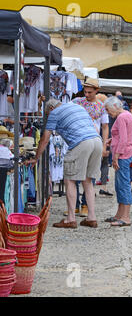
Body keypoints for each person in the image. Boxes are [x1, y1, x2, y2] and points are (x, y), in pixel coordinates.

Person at [32, 98, 102, 229]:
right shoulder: (78, 107)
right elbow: (93, 127)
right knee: (88, 181)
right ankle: (91, 217)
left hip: (81, 143)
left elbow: (45, 139)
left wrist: (36, 157)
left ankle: (70, 219)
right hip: (97, 141)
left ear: (50, 109)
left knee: (70, 180)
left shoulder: (54, 113)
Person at [71, 78, 109, 216]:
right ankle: (74, 205)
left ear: (96, 91)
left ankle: (85, 204)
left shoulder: (101, 106)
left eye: (90, 92)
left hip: (93, 142)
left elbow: (105, 127)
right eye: (85, 92)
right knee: (74, 173)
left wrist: (104, 146)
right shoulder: (77, 102)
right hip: (77, 141)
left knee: (90, 174)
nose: (86, 95)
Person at [103, 97, 132, 227]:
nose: (107, 113)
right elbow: (124, 135)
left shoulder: (121, 117)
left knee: (123, 185)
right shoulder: (127, 115)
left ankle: (125, 217)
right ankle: (119, 214)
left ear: (115, 106)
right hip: (126, 152)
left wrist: (115, 157)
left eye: (108, 109)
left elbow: (123, 139)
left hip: (122, 154)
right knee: (120, 184)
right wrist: (113, 139)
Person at [96, 93, 113, 196]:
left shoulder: (96, 112)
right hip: (106, 140)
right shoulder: (108, 113)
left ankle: (91, 189)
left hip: (97, 139)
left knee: (93, 165)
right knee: (104, 165)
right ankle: (104, 187)